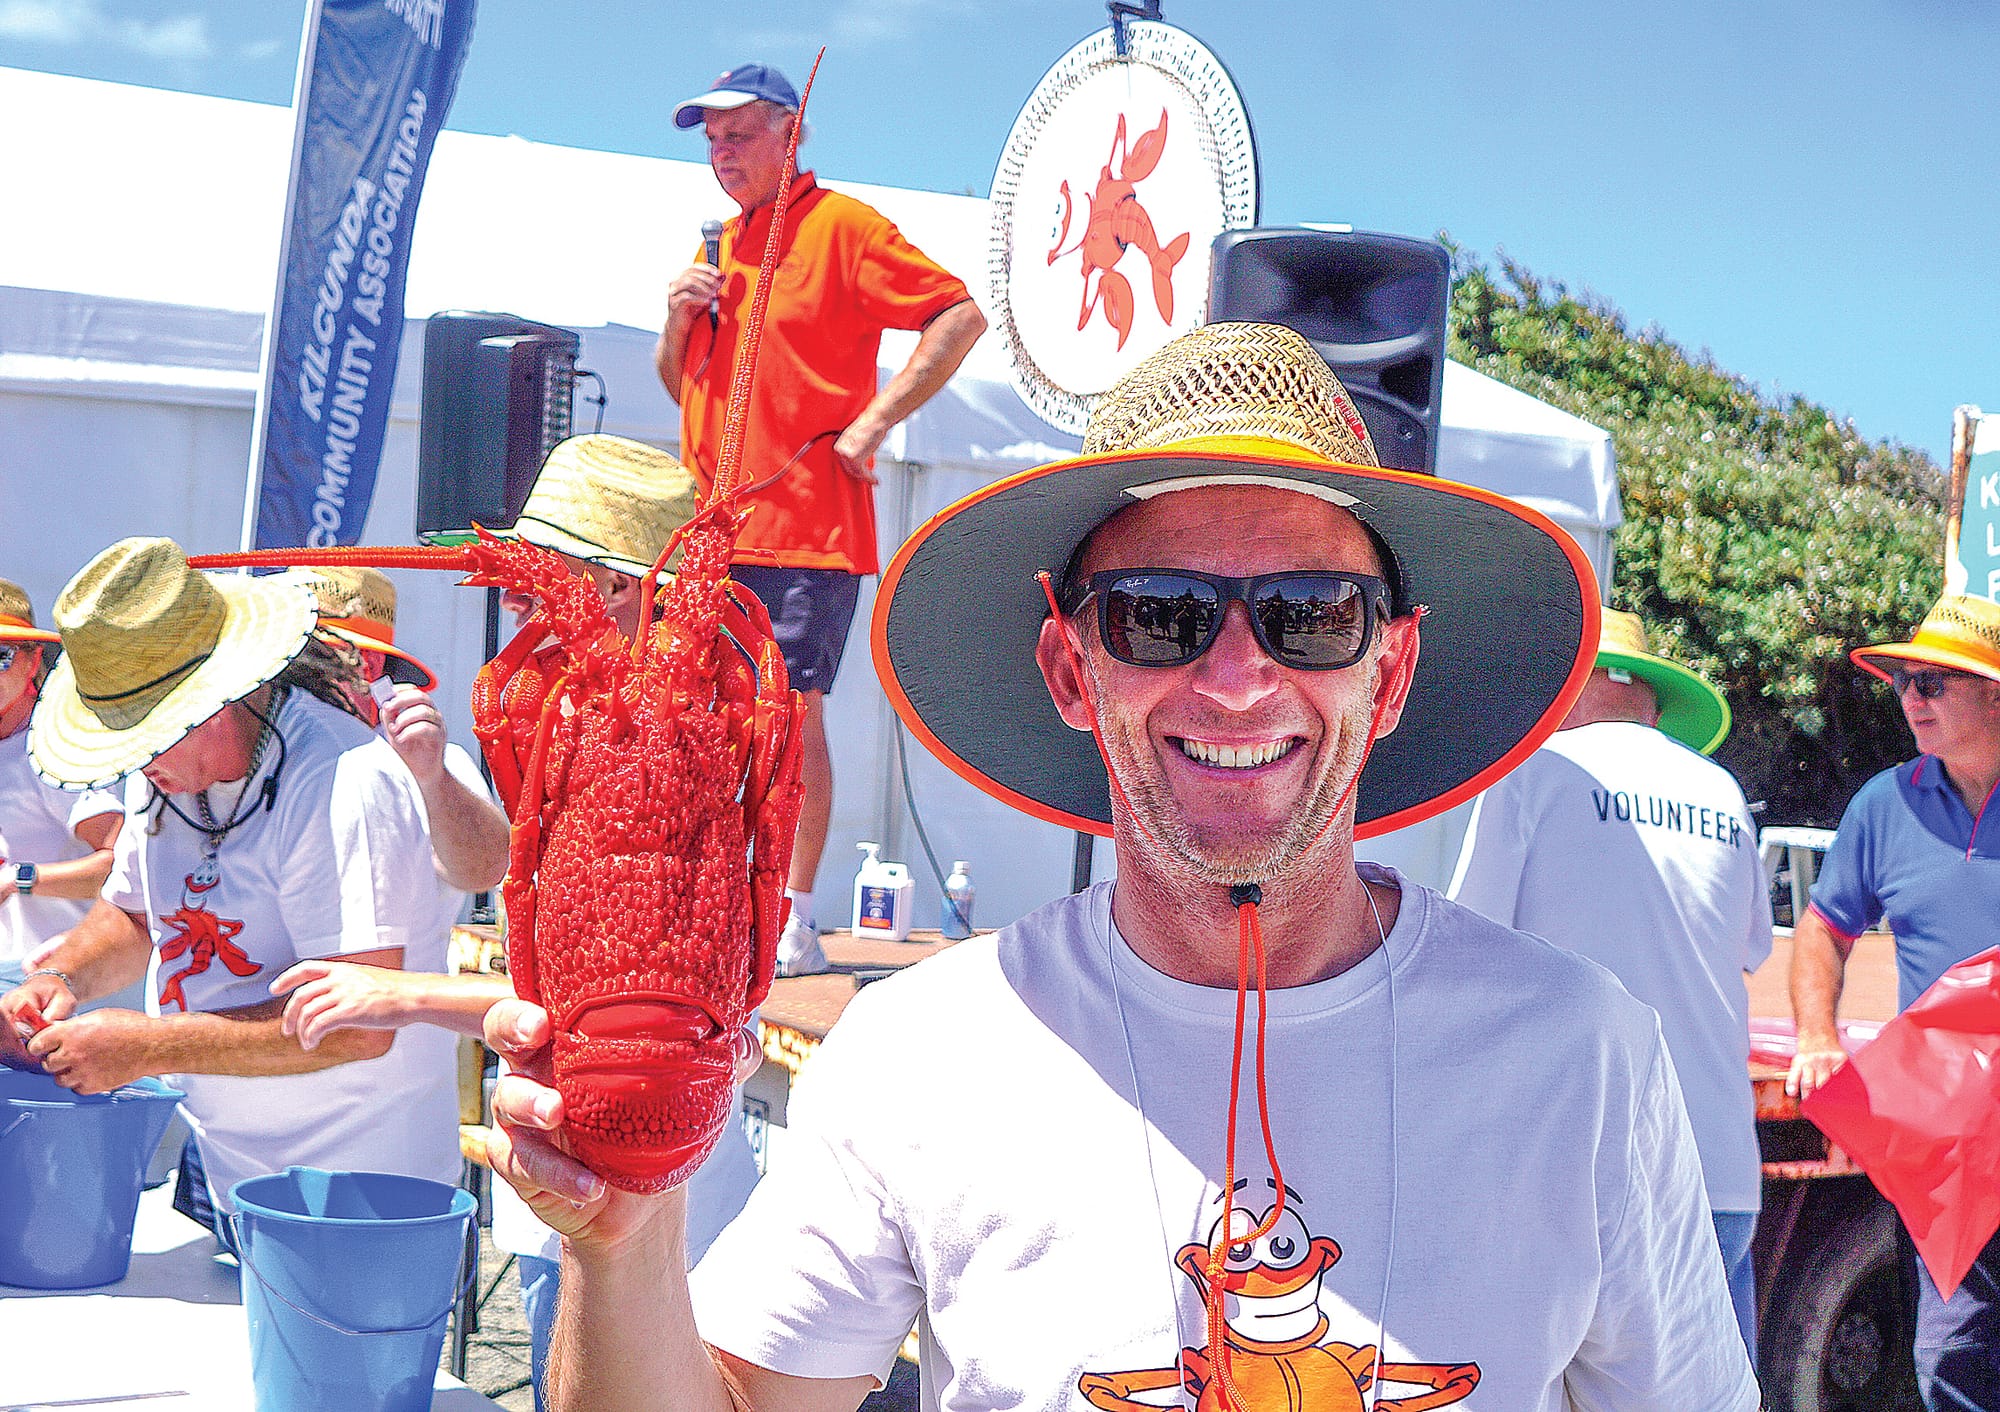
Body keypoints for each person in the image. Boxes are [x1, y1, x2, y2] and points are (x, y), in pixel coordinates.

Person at [484, 323, 1757, 1411]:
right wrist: (622, 1239)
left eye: (1311, 615)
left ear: (1391, 671)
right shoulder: (920, 1050)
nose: (1238, 677)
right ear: (1068, 667)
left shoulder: (1585, 1053)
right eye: (1160, 613)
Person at [286, 441, 758, 1412]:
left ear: (621, 586)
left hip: (671, 1197)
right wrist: (432, 778)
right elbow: (492, 867)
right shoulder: (558, 700)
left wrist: (403, 993)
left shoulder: (704, 727)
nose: (525, 591)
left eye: (554, 570)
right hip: (560, 1160)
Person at [0, 538, 457, 1222]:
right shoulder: (165, 769)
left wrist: (150, 1044)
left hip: (360, 1189)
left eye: (143, 739)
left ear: (212, 706)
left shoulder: (341, 779)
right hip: (225, 1164)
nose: (136, 765)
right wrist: (62, 977)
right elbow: (133, 917)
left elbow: (358, 1023)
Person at [656, 62, 986, 976]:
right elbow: (684, 391)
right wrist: (676, 321)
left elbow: (959, 314)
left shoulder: (844, 228)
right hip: (707, 536)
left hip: (805, 531)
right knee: (702, 722)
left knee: (790, 721)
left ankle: (790, 917)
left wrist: (875, 423)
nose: (722, 154)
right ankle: (716, 902)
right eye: (712, 141)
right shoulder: (721, 244)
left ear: (790, 133)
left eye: (740, 135)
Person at [1448, 606, 1772, 1359]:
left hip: (1574, 1164)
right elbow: (1750, 949)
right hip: (1718, 1167)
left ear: (1575, 687)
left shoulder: (1535, 773)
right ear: (1651, 702)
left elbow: (1467, 947)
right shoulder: (1722, 792)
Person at [1787, 592, 2000, 1410]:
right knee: (1950, 1355)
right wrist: (1817, 1036)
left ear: (1994, 695)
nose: (1912, 698)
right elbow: (1823, 930)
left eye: (1934, 682)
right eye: (1905, 682)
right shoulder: (1886, 803)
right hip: (1947, 1147)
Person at [0, 577, 123, 991]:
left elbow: (121, 868)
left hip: (53, 975)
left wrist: (18, 879)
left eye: (0, 655)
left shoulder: (57, 750)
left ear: (33, 659)